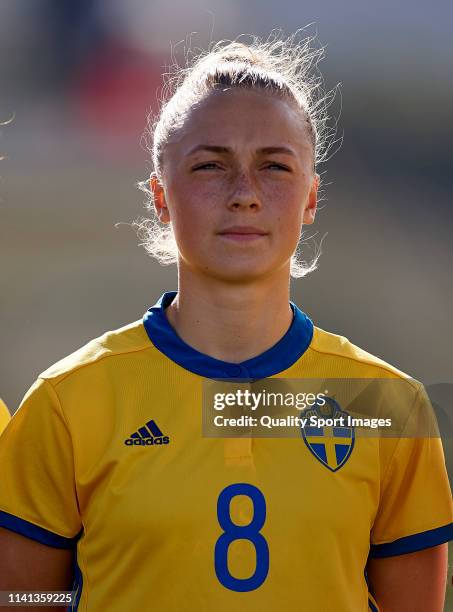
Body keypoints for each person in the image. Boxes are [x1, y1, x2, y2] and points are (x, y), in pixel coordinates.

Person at [0, 31, 451, 612]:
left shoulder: (388, 405)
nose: (244, 194)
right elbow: (23, 597)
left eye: (274, 167)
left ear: (311, 198)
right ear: (161, 197)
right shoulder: (69, 400)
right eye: (211, 165)